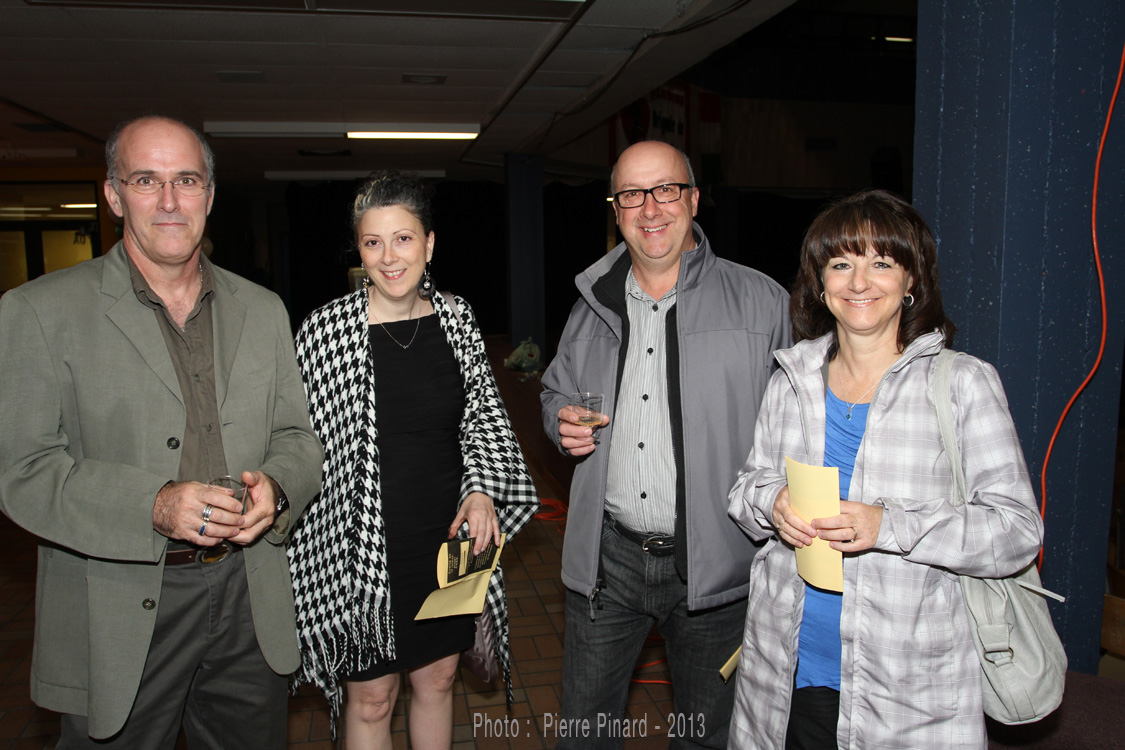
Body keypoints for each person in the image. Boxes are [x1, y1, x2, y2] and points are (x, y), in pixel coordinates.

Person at [0, 115, 324, 748]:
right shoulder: (39, 312)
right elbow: (24, 471)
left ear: (210, 193)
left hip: (248, 592)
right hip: (120, 600)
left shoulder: (263, 309)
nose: (171, 202)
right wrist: (153, 504)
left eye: (187, 180)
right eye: (147, 180)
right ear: (114, 195)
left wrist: (278, 489)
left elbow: (298, 436)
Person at [726, 189, 1045, 749]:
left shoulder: (963, 384)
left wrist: (888, 525)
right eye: (841, 264)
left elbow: (1017, 531)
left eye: (882, 263)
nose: (859, 282)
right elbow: (745, 488)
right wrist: (770, 501)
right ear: (820, 284)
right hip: (788, 675)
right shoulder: (790, 381)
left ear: (911, 280)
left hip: (906, 696)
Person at [540, 140, 791, 749]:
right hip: (610, 560)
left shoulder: (763, 303)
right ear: (617, 209)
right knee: (583, 734)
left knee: (706, 739)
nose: (649, 208)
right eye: (631, 194)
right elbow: (554, 392)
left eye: (666, 190)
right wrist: (560, 422)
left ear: (694, 199)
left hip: (718, 565)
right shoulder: (590, 303)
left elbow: (797, 433)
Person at [288, 170, 539, 748]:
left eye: (404, 238)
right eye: (373, 242)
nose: (389, 256)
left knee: (440, 676)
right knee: (372, 697)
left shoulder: (458, 320)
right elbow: (300, 443)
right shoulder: (326, 332)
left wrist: (480, 489)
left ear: (430, 244)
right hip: (358, 547)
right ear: (359, 249)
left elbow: (482, 421)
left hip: (448, 536)